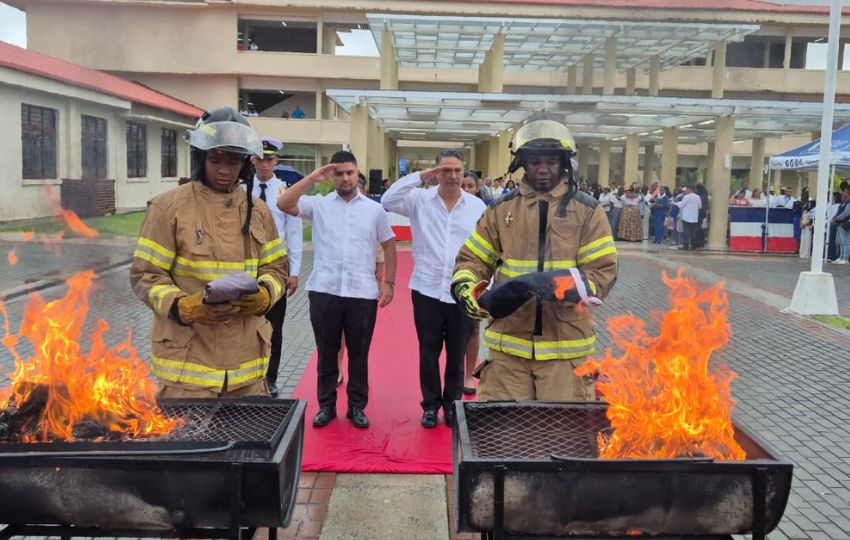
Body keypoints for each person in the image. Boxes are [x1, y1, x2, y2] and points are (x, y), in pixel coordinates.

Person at [451, 116, 618, 401]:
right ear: (522, 164)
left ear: (563, 164)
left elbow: (601, 273)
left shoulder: (588, 211)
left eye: (551, 162)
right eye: (535, 162)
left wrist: (547, 284)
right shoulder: (500, 210)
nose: (543, 170)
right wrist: (470, 293)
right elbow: (471, 261)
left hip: (566, 353)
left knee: (562, 440)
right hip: (508, 354)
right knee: (504, 439)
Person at [130, 106, 288, 398]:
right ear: (200, 158)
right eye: (216, 160)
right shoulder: (168, 208)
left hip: (247, 370)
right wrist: (181, 306)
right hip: (187, 370)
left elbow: (277, 269)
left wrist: (265, 294)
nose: (225, 170)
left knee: (249, 444)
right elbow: (145, 276)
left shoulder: (260, 212)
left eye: (234, 161)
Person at [277, 151, 397, 428]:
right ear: (332, 177)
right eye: (339, 173)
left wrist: (389, 283)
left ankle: (357, 406)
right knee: (327, 352)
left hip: (361, 293)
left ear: (357, 174)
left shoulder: (374, 210)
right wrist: (311, 177)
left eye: (349, 173)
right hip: (324, 290)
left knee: (359, 354)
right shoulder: (318, 204)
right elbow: (283, 203)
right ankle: (326, 405)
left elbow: (389, 246)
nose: (345, 178)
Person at [382, 150, 486, 428]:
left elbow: (487, 249)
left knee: (456, 352)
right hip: (426, 288)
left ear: (464, 173)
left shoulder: (477, 207)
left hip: (461, 290)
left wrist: (486, 286)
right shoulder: (418, 200)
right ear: (437, 173)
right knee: (428, 351)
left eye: (457, 171)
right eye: (446, 170)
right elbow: (388, 199)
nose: (452, 176)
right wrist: (420, 176)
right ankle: (430, 405)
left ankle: (452, 405)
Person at [245, 137, 303, 398]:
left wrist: (295, 272)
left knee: (274, 327)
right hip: (245, 267)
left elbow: (295, 233)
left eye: (270, 159)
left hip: (276, 268)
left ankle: (271, 378)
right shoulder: (242, 191)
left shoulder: (284, 192)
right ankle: (247, 377)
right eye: (260, 159)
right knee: (244, 324)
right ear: (252, 160)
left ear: (276, 161)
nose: (265, 164)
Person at [674, 185, 702, 251]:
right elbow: (700, 206)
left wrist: (676, 203)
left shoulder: (686, 197)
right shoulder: (697, 197)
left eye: (687, 189)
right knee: (693, 232)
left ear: (689, 189)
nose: (686, 190)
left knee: (686, 232)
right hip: (694, 217)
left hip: (686, 217)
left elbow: (681, 205)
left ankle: (686, 246)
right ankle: (693, 246)